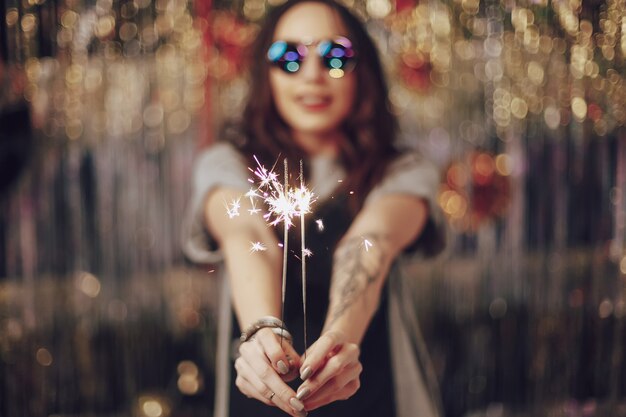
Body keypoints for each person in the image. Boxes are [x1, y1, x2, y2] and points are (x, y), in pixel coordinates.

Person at [181, 1, 445, 416]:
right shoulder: (225, 164)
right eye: (288, 57)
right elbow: (248, 237)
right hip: (255, 395)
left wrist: (340, 341)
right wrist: (263, 332)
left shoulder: (402, 171)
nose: (312, 74)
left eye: (335, 57)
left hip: (376, 395)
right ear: (263, 74)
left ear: (365, 74)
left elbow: (369, 243)